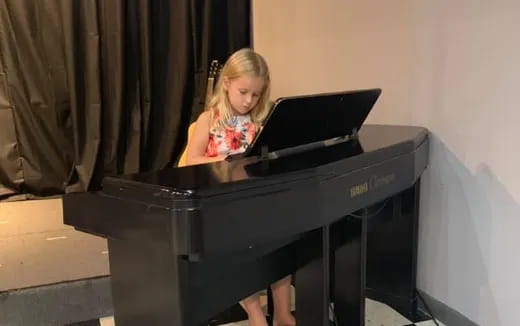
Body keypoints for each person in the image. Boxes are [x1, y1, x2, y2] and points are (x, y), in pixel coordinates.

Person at [186, 48, 295, 326]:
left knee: (281, 239)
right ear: (226, 84)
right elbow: (190, 162)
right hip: (221, 204)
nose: (249, 101)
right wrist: (226, 160)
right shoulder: (208, 120)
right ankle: (256, 314)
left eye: (256, 94)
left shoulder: (261, 121)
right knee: (238, 248)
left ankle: (282, 312)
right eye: (243, 91)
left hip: (255, 199)